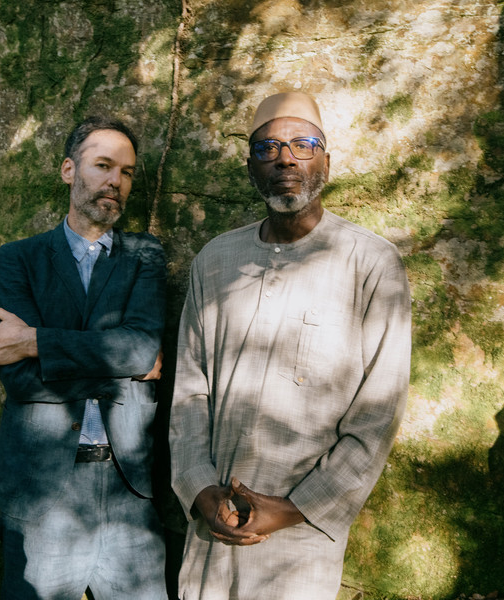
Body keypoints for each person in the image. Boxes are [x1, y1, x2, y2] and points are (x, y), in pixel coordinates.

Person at [169, 92, 412, 599]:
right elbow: (190, 390)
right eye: (268, 148)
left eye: (303, 145)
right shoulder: (215, 260)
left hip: (300, 538)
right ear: (250, 168)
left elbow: (377, 415)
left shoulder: (371, 263)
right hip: (214, 524)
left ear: (326, 162)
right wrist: (199, 488)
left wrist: (295, 508)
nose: (285, 159)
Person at [0, 116, 168, 599]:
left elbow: (141, 347)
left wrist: (36, 342)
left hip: (128, 491)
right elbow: (21, 380)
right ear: (69, 170)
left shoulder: (144, 255)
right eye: (103, 165)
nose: (116, 181)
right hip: (41, 493)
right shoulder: (18, 259)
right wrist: (124, 370)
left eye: (126, 172)